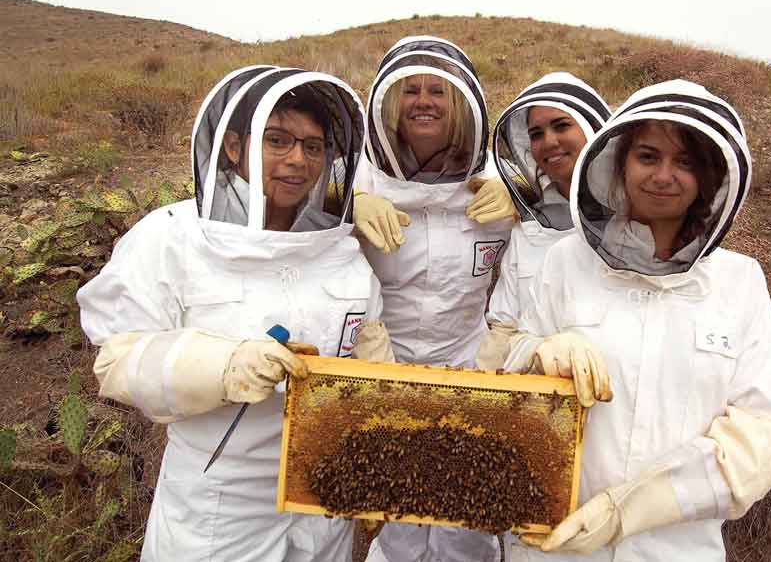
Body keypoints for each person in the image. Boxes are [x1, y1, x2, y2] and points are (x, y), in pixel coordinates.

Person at [77, 66, 392, 562]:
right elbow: (118, 360)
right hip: (218, 509)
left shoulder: (341, 251)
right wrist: (222, 365)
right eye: (277, 140)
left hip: (321, 506)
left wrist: (376, 451)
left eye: (313, 147)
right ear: (232, 147)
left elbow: (371, 366)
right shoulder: (171, 237)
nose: (297, 160)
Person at [503, 80, 771, 561]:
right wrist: (537, 352)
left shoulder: (739, 282)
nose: (663, 176)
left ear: (710, 177)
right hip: (552, 545)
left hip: (675, 549)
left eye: (685, 162)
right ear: (619, 163)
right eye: (648, 156)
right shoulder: (567, 260)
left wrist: (632, 508)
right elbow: (507, 370)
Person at [353, 36, 514, 562]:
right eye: (412, 90)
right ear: (388, 106)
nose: (424, 100)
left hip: (466, 363)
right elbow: (292, 208)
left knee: (466, 518)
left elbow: (560, 233)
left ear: (461, 105)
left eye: (438, 90)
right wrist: (345, 200)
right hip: (379, 363)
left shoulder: (494, 178)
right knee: (398, 516)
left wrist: (523, 197)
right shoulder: (360, 172)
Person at [476, 72, 610, 372]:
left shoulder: (640, 217)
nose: (549, 142)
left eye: (562, 126)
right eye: (536, 134)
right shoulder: (528, 227)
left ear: (594, 128)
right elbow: (505, 327)